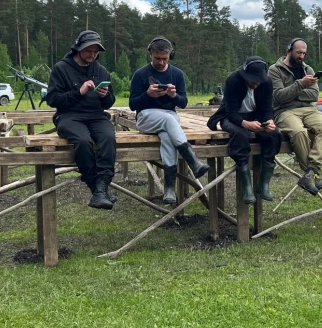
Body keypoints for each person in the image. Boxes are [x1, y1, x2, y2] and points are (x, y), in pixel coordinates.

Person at [129, 36, 210, 205]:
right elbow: (132, 105)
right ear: (150, 54)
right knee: (168, 119)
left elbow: (183, 102)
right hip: (146, 118)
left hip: (169, 118)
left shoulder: (177, 74)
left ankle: (169, 190)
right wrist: (147, 95)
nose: (160, 62)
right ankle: (193, 161)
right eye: (157, 58)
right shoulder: (140, 74)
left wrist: (173, 95)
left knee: (167, 137)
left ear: (170, 56)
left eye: (164, 59)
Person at [46, 30, 117, 210]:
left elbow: (109, 103)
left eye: (96, 52)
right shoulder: (61, 68)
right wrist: (79, 92)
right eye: (88, 51)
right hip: (69, 116)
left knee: (109, 137)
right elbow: (53, 99)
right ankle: (97, 190)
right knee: (83, 141)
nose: (92, 55)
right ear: (78, 49)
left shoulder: (101, 71)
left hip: (96, 115)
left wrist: (105, 95)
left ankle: (101, 187)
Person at [207, 56, 282, 204]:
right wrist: (246, 124)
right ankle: (247, 187)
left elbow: (267, 108)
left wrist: (270, 121)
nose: (256, 83)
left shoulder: (266, 82)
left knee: (274, 134)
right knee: (241, 134)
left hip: (256, 115)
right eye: (253, 80)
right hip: (232, 117)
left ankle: (264, 184)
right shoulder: (233, 80)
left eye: (258, 80)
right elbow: (231, 112)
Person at [268, 38, 322, 195]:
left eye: (304, 53)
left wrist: (293, 92)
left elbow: (314, 95)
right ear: (289, 51)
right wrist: (301, 84)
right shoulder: (274, 70)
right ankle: (312, 174)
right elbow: (279, 97)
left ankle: (311, 172)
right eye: (298, 52)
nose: (301, 56)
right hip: (285, 111)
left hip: (309, 110)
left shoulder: (308, 69)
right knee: (299, 133)